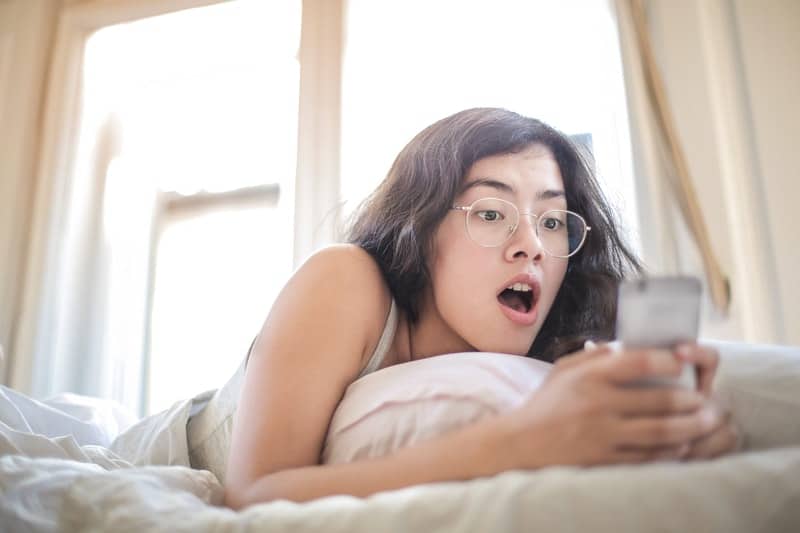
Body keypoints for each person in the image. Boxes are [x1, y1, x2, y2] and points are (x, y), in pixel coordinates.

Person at [222, 108, 738, 508]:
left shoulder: (552, 351)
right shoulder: (346, 280)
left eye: (553, 221)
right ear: (420, 229)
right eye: (492, 213)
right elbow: (251, 496)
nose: (532, 244)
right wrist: (517, 444)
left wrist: (677, 432)